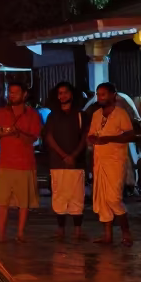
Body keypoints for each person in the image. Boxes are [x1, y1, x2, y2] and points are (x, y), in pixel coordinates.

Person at [0, 81, 42, 243]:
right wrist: (0, 133)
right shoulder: (2, 113)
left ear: (24, 94)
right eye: (10, 92)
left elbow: (32, 139)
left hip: (25, 164)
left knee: (23, 202)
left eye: (15, 92)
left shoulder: (33, 115)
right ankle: (1, 234)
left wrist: (17, 133)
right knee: (2, 201)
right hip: (5, 163)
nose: (11, 95)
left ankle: (20, 234)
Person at [88, 82, 135, 246]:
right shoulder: (96, 115)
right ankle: (107, 236)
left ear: (113, 95)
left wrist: (109, 139)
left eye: (103, 94)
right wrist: (93, 139)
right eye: (98, 94)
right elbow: (91, 135)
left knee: (113, 199)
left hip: (115, 162)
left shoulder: (120, 114)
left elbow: (130, 135)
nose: (100, 97)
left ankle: (126, 234)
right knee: (102, 200)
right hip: (99, 161)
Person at [44, 82, 87, 242]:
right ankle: (60, 230)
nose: (63, 96)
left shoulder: (81, 115)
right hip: (58, 162)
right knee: (59, 195)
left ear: (72, 94)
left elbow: (84, 138)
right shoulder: (52, 115)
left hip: (76, 163)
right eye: (60, 93)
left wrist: (73, 156)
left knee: (77, 196)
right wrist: (64, 156)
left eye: (65, 93)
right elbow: (49, 137)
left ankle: (77, 231)